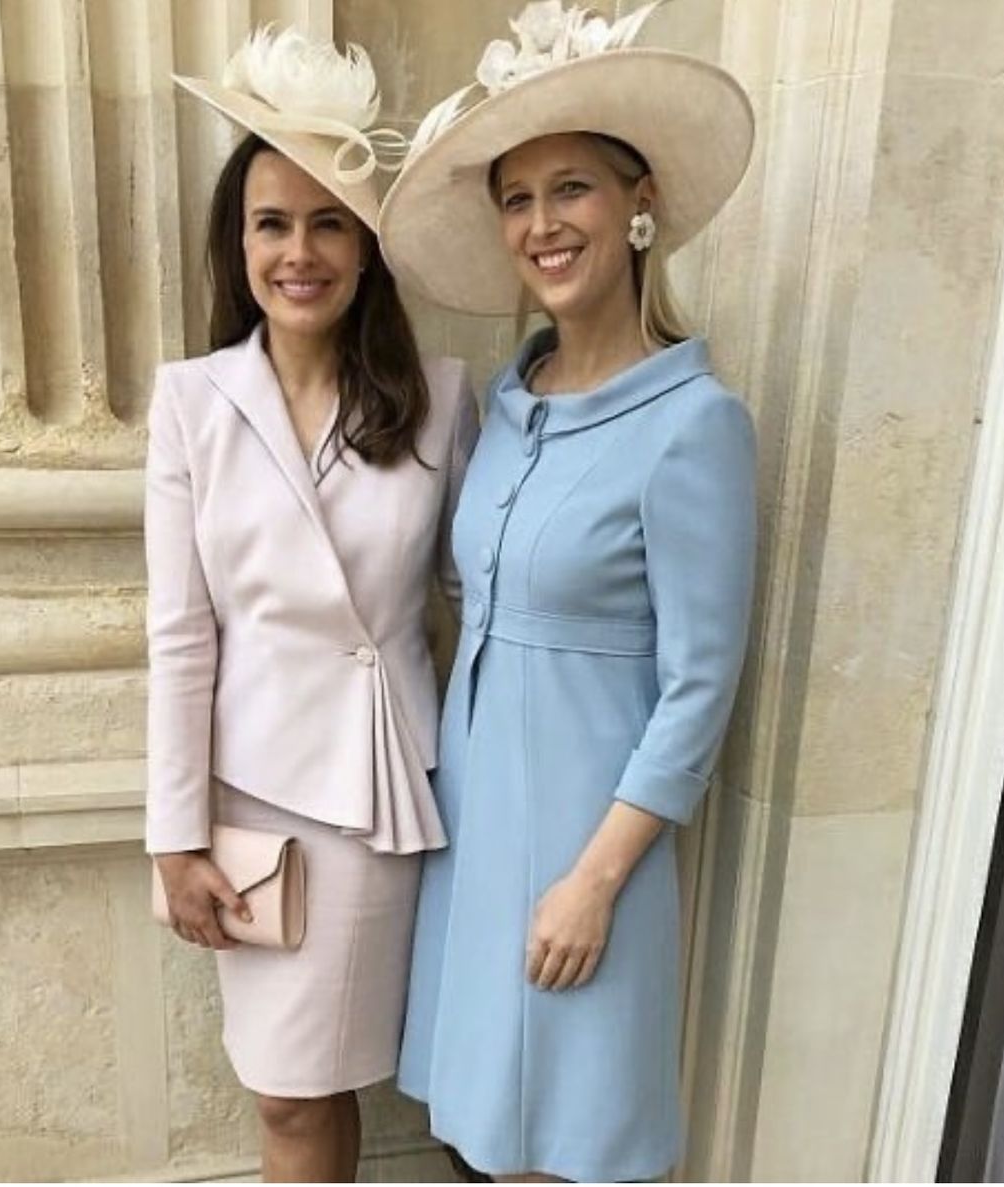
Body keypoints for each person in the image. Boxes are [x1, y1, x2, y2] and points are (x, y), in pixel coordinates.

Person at [378, 3, 757, 1181]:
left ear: (637, 204)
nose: (540, 223)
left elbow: (698, 687)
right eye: (516, 198)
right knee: (480, 1139)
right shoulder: (506, 410)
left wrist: (592, 882)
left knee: (568, 1146)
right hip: (473, 840)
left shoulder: (693, 426)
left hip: (586, 853)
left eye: (571, 189)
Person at [144, 25, 477, 1184]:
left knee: (323, 1084)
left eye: (330, 222)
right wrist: (174, 833)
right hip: (249, 794)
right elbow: (180, 632)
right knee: (285, 1091)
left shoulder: (439, 397)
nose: (299, 251)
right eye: (272, 223)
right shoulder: (190, 401)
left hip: (381, 793)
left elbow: (471, 598)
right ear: (237, 242)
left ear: (368, 246)